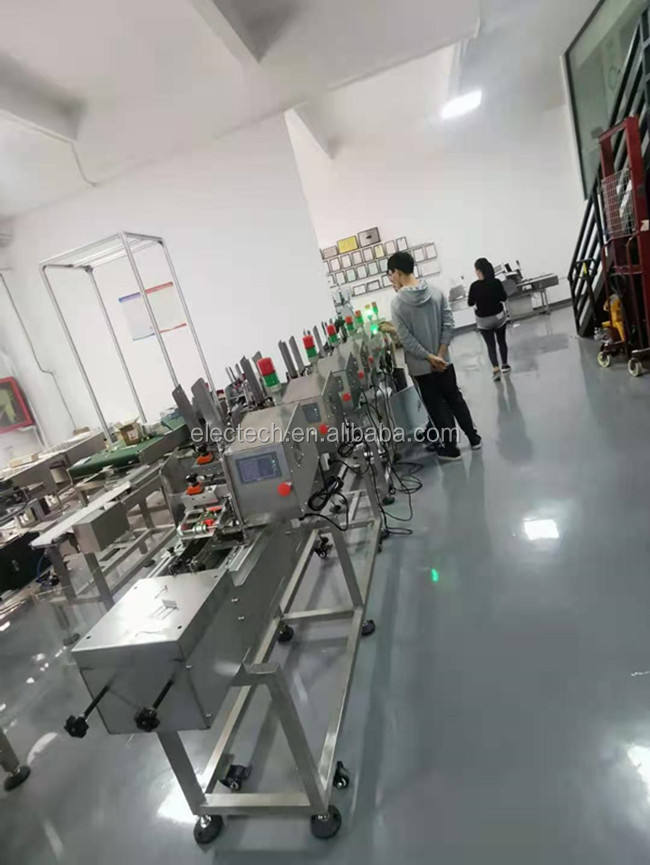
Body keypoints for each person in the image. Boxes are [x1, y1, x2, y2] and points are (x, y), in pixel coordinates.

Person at [388, 251, 481, 462]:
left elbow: (406, 339)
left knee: (436, 407)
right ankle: (474, 438)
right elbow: (448, 324)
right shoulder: (436, 293)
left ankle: (451, 449)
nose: (391, 279)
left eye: (391, 274)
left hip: (422, 367)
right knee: (455, 399)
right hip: (444, 362)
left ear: (398, 272)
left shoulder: (397, 304)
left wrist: (429, 358)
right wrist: (439, 355)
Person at [468, 257, 511, 381]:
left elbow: (470, 303)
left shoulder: (474, 286)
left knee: (490, 345)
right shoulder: (496, 282)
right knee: (501, 341)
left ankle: (496, 369)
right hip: (498, 317)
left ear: (478, 271)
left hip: (484, 321)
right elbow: (503, 298)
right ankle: (505, 365)